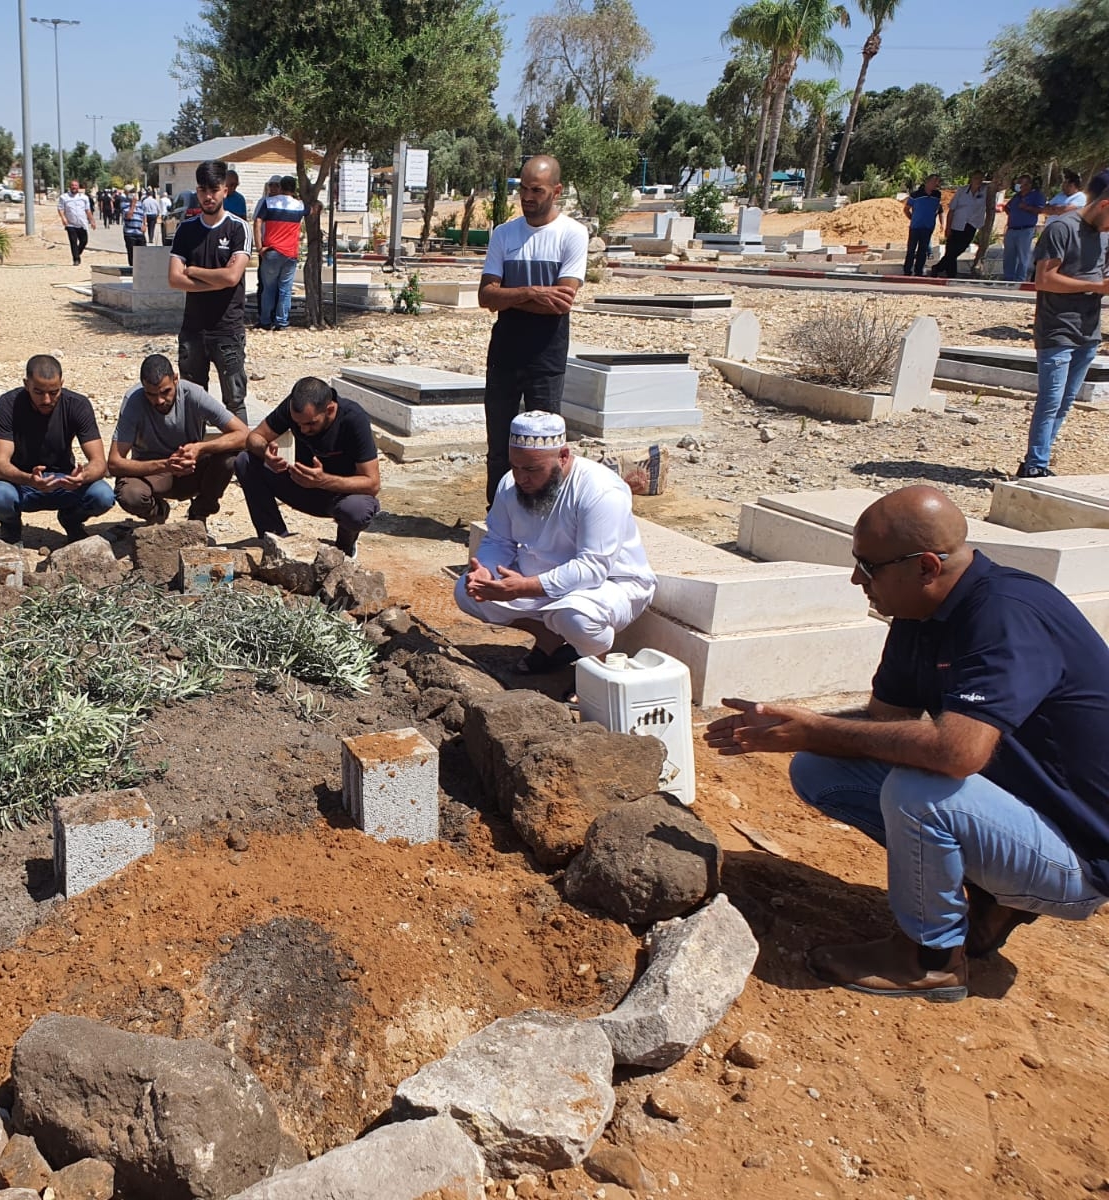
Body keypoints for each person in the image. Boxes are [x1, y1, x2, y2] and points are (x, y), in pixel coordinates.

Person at [706, 486, 1109, 1002]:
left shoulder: (1007, 615)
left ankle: (931, 960)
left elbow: (957, 752)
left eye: (867, 566)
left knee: (918, 792)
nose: (856, 579)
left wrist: (818, 728)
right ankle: (990, 897)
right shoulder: (919, 617)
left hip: (1080, 854)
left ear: (925, 567)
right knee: (821, 768)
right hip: (1020, 814)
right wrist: (797, 728)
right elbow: (882, 724)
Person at [455, 412, 655, 681]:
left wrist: (525, 587)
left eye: (532, 469)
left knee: (575, 617)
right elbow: (499, 540)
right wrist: (486, 572)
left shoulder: (600, 490)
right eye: (516, 466)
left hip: (610, 585)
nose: (521, 478)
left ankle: (600, 668)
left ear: (563, 456)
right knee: (467, 592)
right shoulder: (510, 483)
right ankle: (548, 635)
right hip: (539, 582)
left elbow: (593, 567)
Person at [477, 155, 588, 502]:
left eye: (536, 190)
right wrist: (533, 292)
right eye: (522, 188)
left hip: (546, 353)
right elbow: (485, 296)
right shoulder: (504, 234)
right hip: (505, 352)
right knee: (500, 445)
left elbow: (563, 299)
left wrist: (508, 297)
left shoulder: (572, 234)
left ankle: (546, 515)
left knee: (545, 445)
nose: (527, 197)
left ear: (556, 191)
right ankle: (498, 515)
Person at [1016, 169, 1109, 479]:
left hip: (1088, 329)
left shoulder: (1102, 236)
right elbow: (1044, 279)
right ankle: (1036, 466)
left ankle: (1036, 457)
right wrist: (1097, 288)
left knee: (1066, 401)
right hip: (1057, 328)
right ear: (1104, 205)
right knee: (1051, 400)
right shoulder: (1061, 229)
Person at [236, 377, 381, 557]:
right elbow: (254, 437)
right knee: (245, 460)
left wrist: (323, 480)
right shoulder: (293, 409)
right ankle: (276, 541)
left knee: (357, 511)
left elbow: (372, 484)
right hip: (302, 486)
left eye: (311, 424)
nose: (303, 430)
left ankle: (344, 548)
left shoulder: (353, 418)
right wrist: (264, 452)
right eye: (298, 425)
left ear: (330, 409)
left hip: (340, 496)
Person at [0, 355, 114, 544]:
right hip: (23, 482)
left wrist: (82, 477)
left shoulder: (77, 405)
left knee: (103, 495)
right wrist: (29, 479)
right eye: (38, 392)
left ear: (62, 384)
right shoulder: (9, 404)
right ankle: (11, 528)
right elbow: (0, 464)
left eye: (54, 392)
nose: (47, 400)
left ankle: (72, 519)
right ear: (26, 384)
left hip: (64, 480)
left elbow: (99, 463)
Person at [108, 353, 247, 527]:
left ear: (175, 379)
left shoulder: (193, 394)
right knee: (130, 495)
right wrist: (165, 465)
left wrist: (200, 448)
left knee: (229, 459)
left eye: (165, 392)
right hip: (152, 472)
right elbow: (114, 462)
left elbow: (243, 434)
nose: (159, 400)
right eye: (151, 394)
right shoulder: (133, 402)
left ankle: (199, 513)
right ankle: (157, 512)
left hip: (192, 468)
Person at [168, 159, 253, 420]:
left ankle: (241, 458)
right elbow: (173, 279)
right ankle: (196, 459)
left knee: (235, 400)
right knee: (193, 400)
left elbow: (232, 276)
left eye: (214, 190)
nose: (208, 196)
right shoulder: (186, 229)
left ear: (225, 190)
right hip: (193, 329)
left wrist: (194, 271)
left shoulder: (238, 228)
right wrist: (216, 280)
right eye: (203, 190)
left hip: (227, 330)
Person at [254, 176, 305, 331]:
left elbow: (257, 222)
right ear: (294, 189)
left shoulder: (269, 203)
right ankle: (282, 322)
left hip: (271, 251)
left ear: (281, 187)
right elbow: (314, 209)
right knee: (285, 289)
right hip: (290, 253)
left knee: (268, 288)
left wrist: (259, 247)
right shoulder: (299, 205)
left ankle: (265, 321)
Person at [932, 173, 987, 279]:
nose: (978, 181)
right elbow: (952, 209)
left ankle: (938, 268)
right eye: (976, 178)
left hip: (971, 224)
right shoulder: (962, 191)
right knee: (951, 250)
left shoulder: (985, 191)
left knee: (959, 249)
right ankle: (950, 274)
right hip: (957, 223)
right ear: (971, 179)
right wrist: (948, 227)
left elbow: (1001, 186)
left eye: (981, 179)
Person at [1003, 174, 1047, 282]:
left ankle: (1020, 280)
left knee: (1023, 256)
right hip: (1012, 229)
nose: (1019, 185)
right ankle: (1008, 279)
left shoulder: (1037, 195)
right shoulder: (1017, 196)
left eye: (1021, 183)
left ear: (1028, 185)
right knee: (1009, 256)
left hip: (1025, 230)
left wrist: (1026, 208)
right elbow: (1007, 207)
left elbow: (1040, 210)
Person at [902, 175, 941, 276]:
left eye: (937, 182)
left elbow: (938, 209)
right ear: (927, 182)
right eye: (934, 181)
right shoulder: (915, 195)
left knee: (923, 250)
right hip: (915, 226)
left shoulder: (937, 195)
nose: (935, 184)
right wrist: (912, 218)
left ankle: (918, 270)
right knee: (911, 249)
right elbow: (906, 209)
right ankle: (907, 270)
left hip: (928, 227)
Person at [57, 179, 96, 266]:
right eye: (72, 185)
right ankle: (76, 259)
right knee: (73, 241)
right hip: (70, 223)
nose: (74, 187)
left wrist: (92, 221)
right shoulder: (64, 197)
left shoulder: (84, 198)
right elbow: (60, 209)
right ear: (70, 187)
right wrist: (63, 218)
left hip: (82, 223)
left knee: (84, 241)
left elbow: (88, 210)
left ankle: (77, 253)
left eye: (75, 185)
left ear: (78, 187)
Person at [119, 188, 146, 267]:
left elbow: (144, 215)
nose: (133, 195)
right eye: (131, 193)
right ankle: (133, 269)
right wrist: (133, 205)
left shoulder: (141, 204)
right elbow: (128, 216)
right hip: (130, 233)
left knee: (143, 253)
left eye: (134, 193)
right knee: (132, 254)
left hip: (140, 233)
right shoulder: (124, 205)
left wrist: (145, 224)